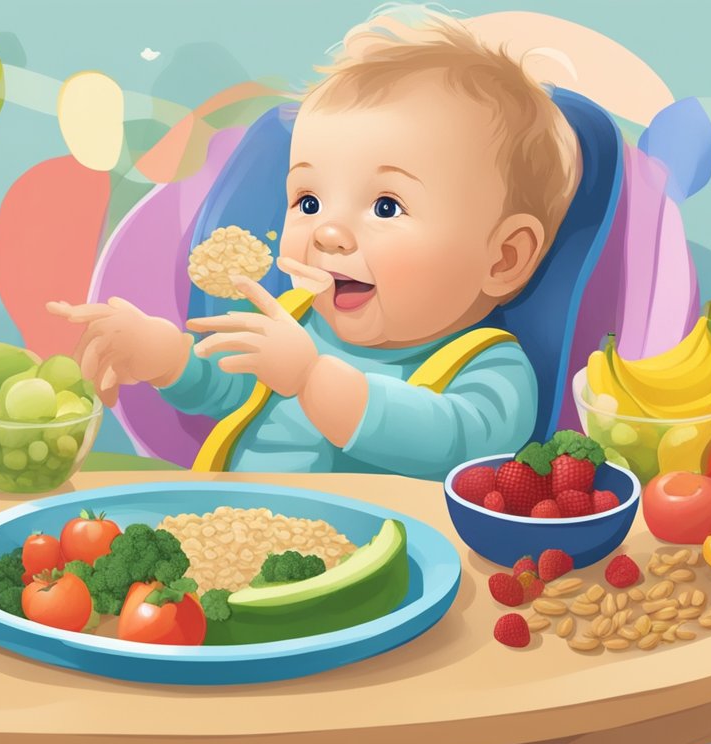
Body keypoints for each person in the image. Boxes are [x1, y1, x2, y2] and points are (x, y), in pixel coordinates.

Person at [47, 12, 582, 480]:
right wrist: (166, 356)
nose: (326, 232)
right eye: (308, 202)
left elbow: (457, 443)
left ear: (503, 257)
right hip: (240, 534)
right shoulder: (299, 319)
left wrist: (312, 379)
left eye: (386, 206)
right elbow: (234, 392)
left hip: (386, 560)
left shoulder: (490, 369)